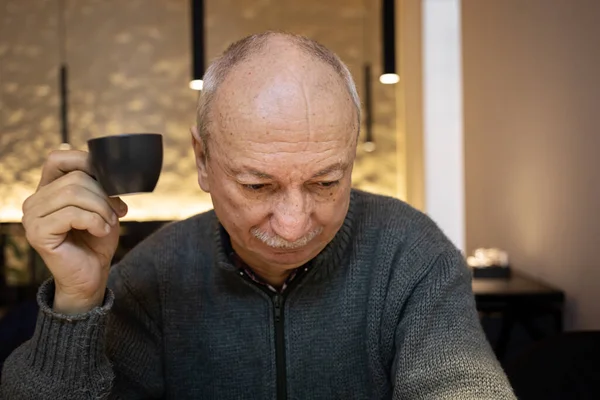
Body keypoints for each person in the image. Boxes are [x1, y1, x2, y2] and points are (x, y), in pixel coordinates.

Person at [0, 32, 515, 399]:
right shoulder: (151, 277)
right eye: (257, 185)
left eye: (326, 182)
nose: (293, 225)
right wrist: (74, 305)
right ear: (202, 161)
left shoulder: (412, 254)